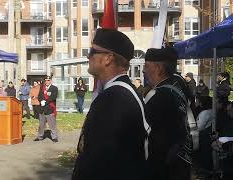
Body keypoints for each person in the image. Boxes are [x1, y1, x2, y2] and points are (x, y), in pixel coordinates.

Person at [72, 28, 150, 180]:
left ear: (108, 58)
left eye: (92, 51)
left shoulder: (113, 98)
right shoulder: (124, 92)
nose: (88, 56)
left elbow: (97, 163)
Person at [143, 47, 192, 180]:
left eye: (146, 66)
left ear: (158, 68)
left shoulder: (158, 96)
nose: (143, 70)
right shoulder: (178, 86)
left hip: (165, 168)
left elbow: (150, 136)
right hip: (181, 161)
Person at [34, 76, 58, 142]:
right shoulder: (42, 88)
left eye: (48, 80)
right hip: (42, 109)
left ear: (50, 81)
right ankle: (40, 136)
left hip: (50, 108)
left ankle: (54, 137)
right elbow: (39, 96)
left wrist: (46, 102)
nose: (47, 81)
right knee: (41, 125)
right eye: (46, 80)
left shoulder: (54, 88)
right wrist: (41, 101)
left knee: (52, 124)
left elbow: (53, 97)